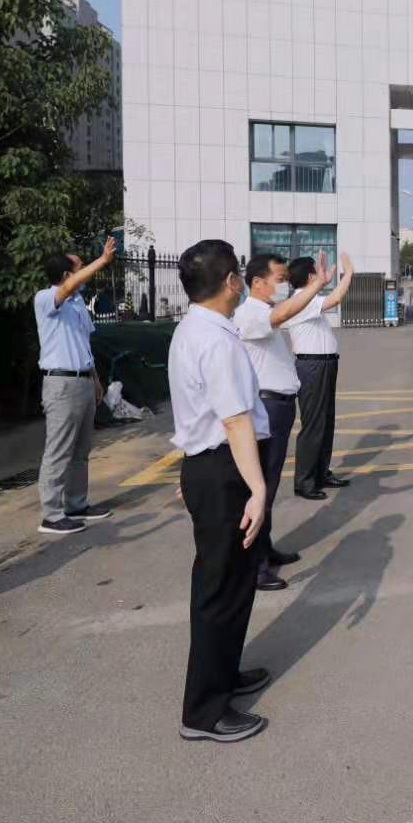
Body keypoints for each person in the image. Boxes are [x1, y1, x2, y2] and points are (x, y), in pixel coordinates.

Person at [168, 239, 273, 743]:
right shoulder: (216, 340)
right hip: (225, 471)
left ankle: (225, 674)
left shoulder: (193, 329)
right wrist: (258, 489)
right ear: (231, 281)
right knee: (219, 589)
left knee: (233, 583)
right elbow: (234, 420)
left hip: (211, 467)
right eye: (239, 275)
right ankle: (203, 712)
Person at [233, 253, 329, 591]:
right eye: (279, 279)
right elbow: (286, 312)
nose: (285, 285)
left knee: (270, 484)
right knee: (261, 487)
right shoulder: (252, 314)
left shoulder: (263, 312)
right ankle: (255, 567)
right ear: (257, 282)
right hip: (267, 407)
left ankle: (265, 550)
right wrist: (317, 285)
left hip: (279, 407)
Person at [32, 237, 116, 536]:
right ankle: (51, 515)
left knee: (81, 449)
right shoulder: (46, 298)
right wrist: (102, 261)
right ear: (67, 275)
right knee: (59, 449)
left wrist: (95, 379)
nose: (85, 271)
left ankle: (76, 504)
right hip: (61, 383)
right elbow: (66, 289)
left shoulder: (78, 303)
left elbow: (83, 343)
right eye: (80, 267)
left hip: (82, 380)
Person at [285, 252, 354, 501]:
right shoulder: (300, 301)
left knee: (325, 422)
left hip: (324, 364)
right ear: (309, 276)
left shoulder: (308, 299)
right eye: (316, 271)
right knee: (314, 424)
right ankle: (304, 482)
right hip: (312, 366)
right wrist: (348, 274)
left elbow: (327, 297)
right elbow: (335, 299)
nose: (320, 274)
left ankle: (321, 472)